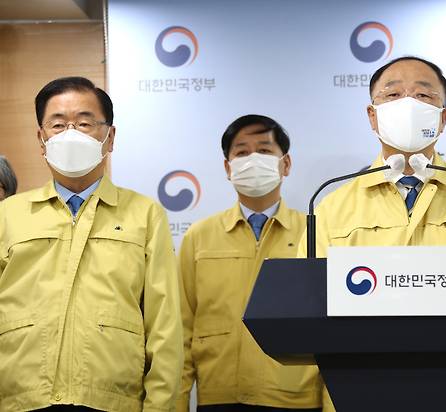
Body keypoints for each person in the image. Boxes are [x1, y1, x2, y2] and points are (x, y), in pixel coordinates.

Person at [300, 56, 446, 411]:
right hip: (359, 391)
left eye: (423, 96)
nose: (408, 104)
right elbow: (308, 308)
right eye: (393, 95)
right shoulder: (331, 206)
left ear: (443, 117)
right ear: (372, 115)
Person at [0, 77, 183, 411]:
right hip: (21, 401)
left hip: (113, 402)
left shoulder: (144, 214)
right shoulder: (8, 215)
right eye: (57, 124)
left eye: (84, 123)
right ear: (41, 140)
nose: (70, 133)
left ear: (109, 136)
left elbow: (165, 327)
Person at [177, 115, 323, 412]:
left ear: (286, 164)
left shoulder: (315, 232)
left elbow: (331, 330)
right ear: (227, 167)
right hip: (220, 396)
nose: (253, 159)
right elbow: (181, 328)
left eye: (265, 151)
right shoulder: (199, 236)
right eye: (242, 152)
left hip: (297, 398)